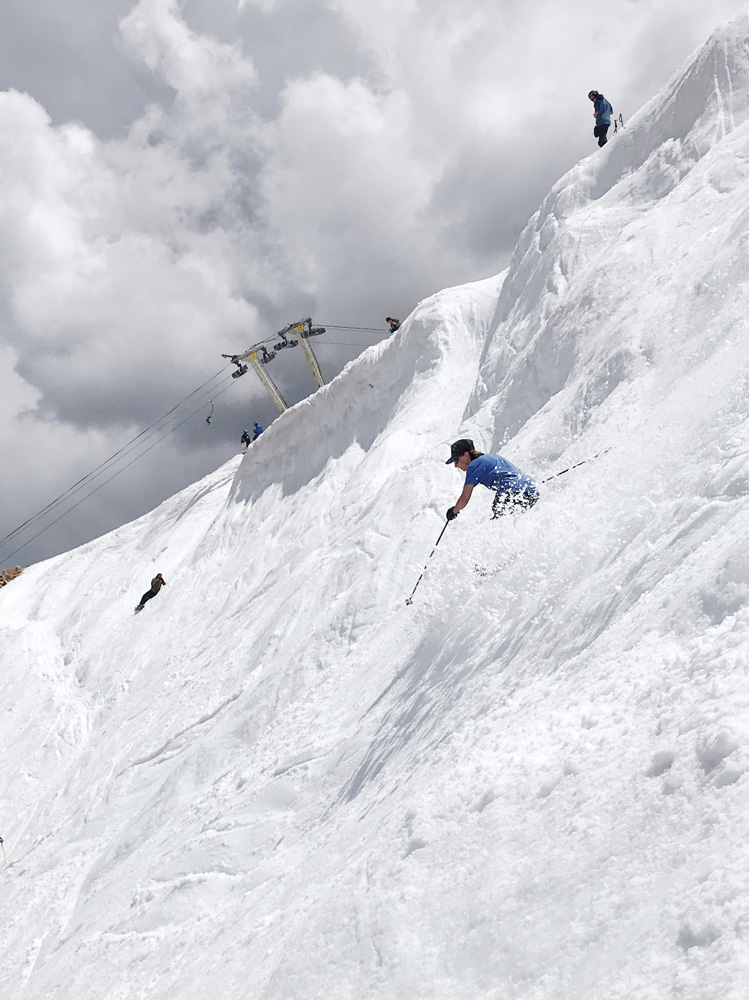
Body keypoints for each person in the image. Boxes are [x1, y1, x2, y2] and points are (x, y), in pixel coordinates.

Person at [444, 439, 539, 521]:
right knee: (515, 522)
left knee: (498, 525)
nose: (455, 465)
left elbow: (464, 498)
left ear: (466, 455)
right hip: (531, 489)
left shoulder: (473, 466)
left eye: (456, 460)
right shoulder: (493, 457)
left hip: (510, 492)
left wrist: (454, 511)